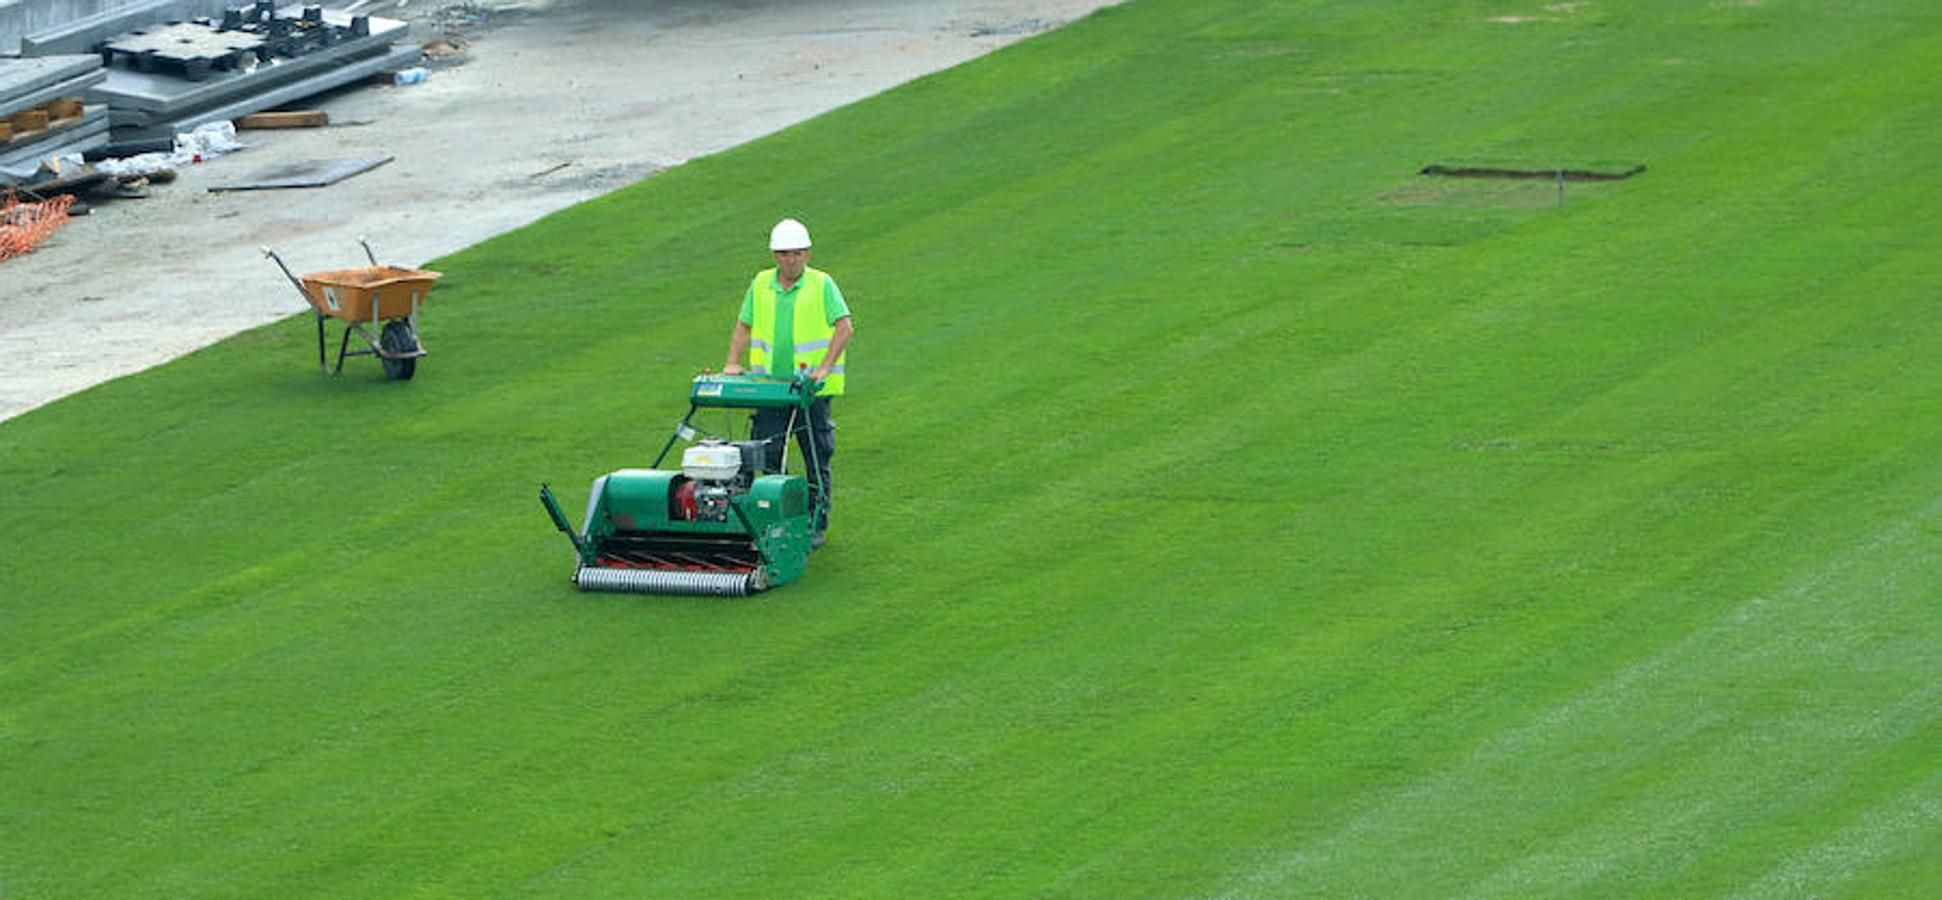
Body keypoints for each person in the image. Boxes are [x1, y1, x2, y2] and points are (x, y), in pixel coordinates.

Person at [722, 218, 853, 548]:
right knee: (765, 455)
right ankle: (765, 518)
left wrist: (824, 368)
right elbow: (743, 325)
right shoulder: (761, 284)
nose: (790, 260)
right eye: (783, 254)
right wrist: (733, 362)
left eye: (796, 254)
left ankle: (815, 522)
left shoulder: (822, 285)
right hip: (770, 389)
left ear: (807, 254)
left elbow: (844, 328)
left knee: (816, 457)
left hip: (809, 394)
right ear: (775, 256)